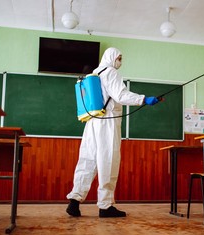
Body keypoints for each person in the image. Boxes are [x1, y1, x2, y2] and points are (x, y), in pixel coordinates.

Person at [66, 47, 159, 218]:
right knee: (108, 160)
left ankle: (74, 202)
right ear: (111, 57)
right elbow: (121, 95)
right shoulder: (110, 73)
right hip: (107, 121)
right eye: (119, 58)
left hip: (92, 121)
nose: (120, 61)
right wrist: (144, 99)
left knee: (87, 161)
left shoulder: (95, 73)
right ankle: (105, 206)